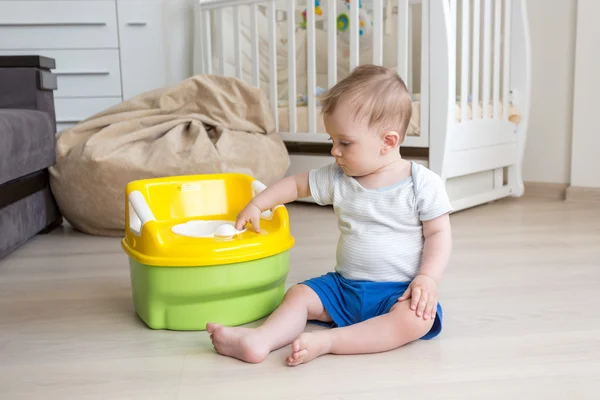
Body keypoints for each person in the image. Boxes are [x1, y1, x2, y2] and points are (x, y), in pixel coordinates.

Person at [207, 64, 453, 367]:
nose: (335, 152)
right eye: (332, 141)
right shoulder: (340, 177)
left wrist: (427, 278)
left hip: (396, 293)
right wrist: (259, 204)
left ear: (388, 142)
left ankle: (329, 342)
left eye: (345, 143)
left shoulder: (422, 183)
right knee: (299, 295)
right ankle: (261, 339)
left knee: (417, 319)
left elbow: (438, 234)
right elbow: (297, 184)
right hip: (342, 287)